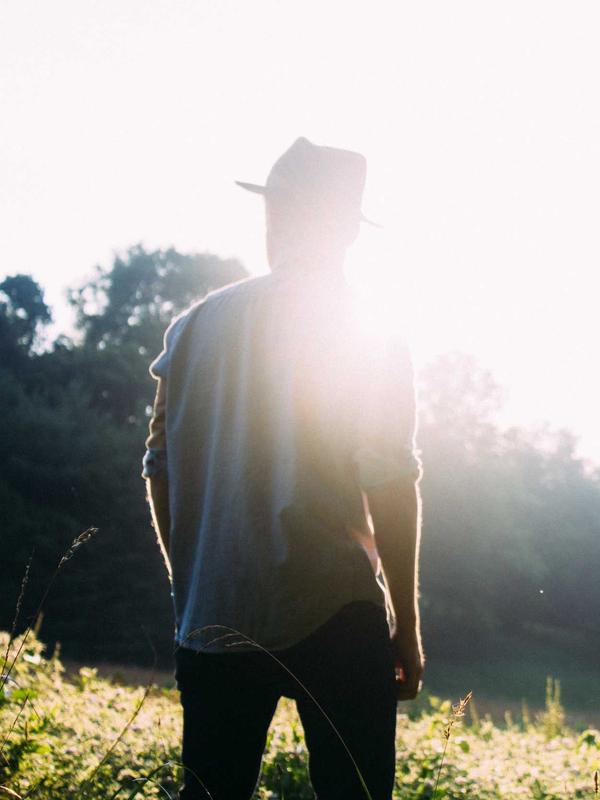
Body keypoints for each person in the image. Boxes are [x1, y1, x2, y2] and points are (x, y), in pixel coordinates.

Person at [143, 137, 424, 800]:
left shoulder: (193, 327)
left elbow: (159, 469)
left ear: (277, 214)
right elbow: (390, 480)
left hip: (215, 616)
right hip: (335, 611)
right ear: (347, 230)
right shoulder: (369, 330)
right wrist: (406, 628)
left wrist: (193, 584)